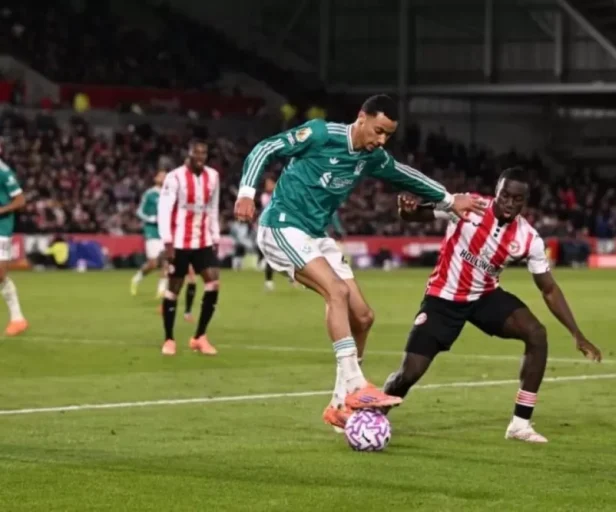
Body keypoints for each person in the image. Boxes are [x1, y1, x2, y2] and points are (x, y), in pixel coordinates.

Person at [233, 94, 485, 429]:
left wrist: (449, 199)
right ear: (361, 118)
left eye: (388, 135)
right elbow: (266, 147)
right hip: (281, 225)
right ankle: (355, 383)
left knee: (363, 317)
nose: (381, 140)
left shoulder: (372, 157)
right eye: (378, 131)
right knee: (336, 291)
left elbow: (405, 175)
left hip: (316, 235)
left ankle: (339, 406)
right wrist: (246, 192)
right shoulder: (322, 134)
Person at [383, 167, 602, 443]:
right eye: (505, 196)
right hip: (443, 297)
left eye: (517, 199)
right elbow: (416, 215)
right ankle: (375, 413)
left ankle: (520, 424)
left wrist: (576, 333)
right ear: (496, 192)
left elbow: (548, 289)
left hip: (484, 297)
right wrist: (407, 209)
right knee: (409, 373)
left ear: (525, 202)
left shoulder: (528, 238)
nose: (509, 203)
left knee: (536, 333)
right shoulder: (469, 206)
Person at [158, 140, 221, 356]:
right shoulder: (174, 177)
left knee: (213, 283)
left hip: (203, 240)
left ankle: (199, 337)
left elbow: (212, 208)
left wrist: (215, 236)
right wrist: (167, 241)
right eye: (197, 152)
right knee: (173, 290)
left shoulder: (213, 176)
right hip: (179, 242)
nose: (201, 156)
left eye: (204, 153)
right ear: (189, 154)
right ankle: (169, 339)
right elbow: (164, 210)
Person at [0, 157, 28, 336]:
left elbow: (20, 200)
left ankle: (18, 319)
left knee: (0, 275)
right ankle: (18, 320)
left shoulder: (3, 172)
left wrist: (1, 210)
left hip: (2, 227)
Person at [131, 170, 168, 298]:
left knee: (167, 261)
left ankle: (161, 290)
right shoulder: (149, 193)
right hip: (152, 230)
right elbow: (139, 211)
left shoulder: (169, 194)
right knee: (153, 263)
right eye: (160, 176)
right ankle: (137, 278)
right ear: (155, 178)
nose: (163, 178)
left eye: (165, 176)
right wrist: (151, 219)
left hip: (165, 231)